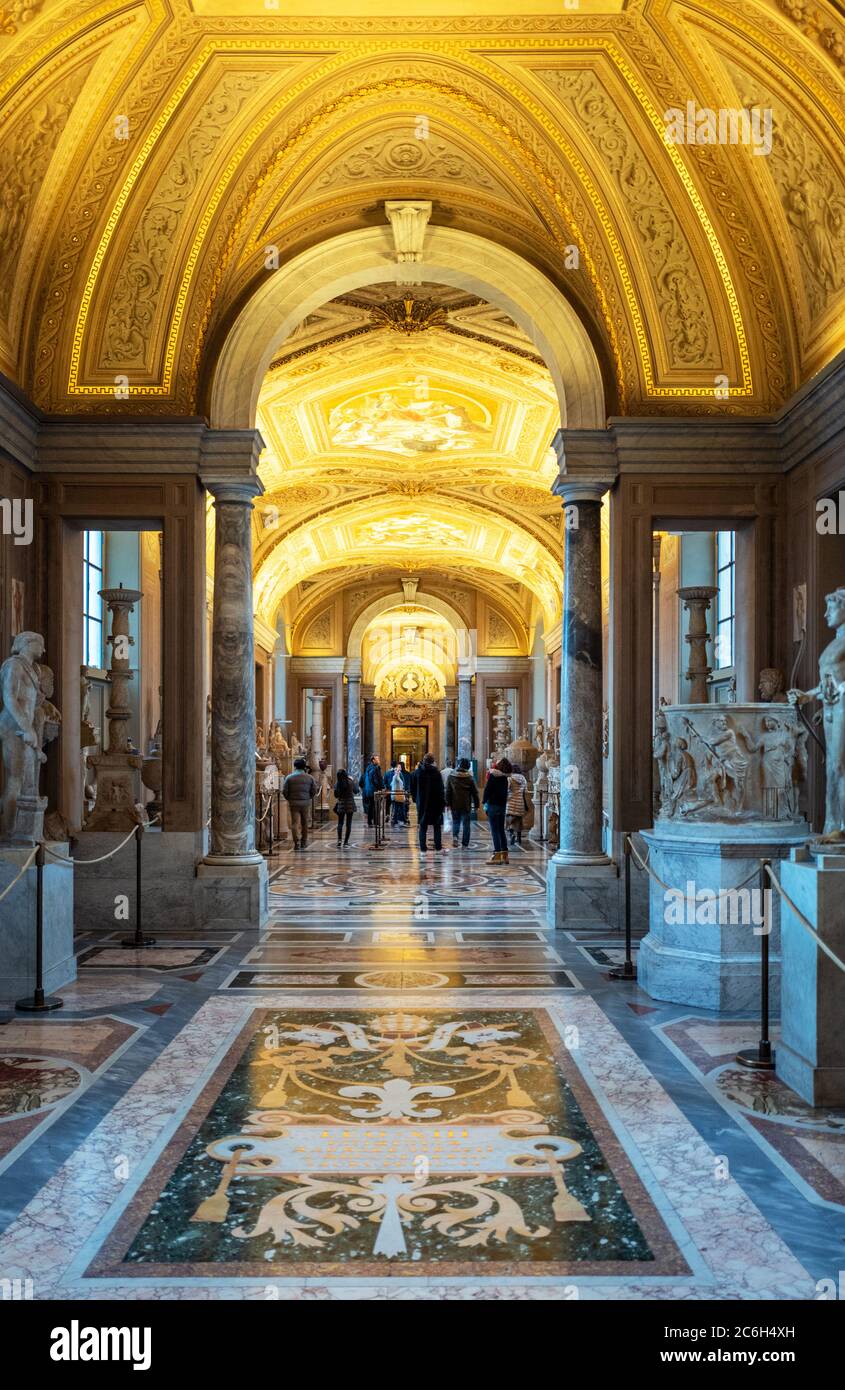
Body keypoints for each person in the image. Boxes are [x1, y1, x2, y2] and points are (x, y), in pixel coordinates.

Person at [283, 756, 317, 851]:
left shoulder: (289, 777)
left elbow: (285, 791)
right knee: (305, 822)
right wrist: (308, 797)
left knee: (294, 823)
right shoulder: (310, 778)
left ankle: (296, 843)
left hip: (293, 803)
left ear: (295, 767)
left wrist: (289, 798)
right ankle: (303, 842)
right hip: (305, 802)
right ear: (304, 767)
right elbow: (314, 790)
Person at [482, 756, 511, 863]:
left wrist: (484, 802)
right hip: (502, 806)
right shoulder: (505, 778)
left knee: (494, 831)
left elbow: (487, 790)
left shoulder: (493, 776)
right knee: (501, 830)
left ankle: (497, 854)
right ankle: (505, 854)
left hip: (493, 805)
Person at [416, 752, 446, 853]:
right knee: (437, 826)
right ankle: (438, 846)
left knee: (422, 827)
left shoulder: (419, 772)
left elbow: (414, 788)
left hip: (423, 804)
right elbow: (440, 790)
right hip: (435, 804)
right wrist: (442, 803)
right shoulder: (437, 773)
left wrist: (417, 799)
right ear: (433, 762)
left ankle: (423, 848)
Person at [446, 757, 479, 848]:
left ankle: (455, 837)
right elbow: (475, 792)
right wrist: (476, 805)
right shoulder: (470, 778)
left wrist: (448, 804)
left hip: (454, 804)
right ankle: (465, 844)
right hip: (466, 804)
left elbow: (448, 791)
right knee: (466, 824)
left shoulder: (451, 776)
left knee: (456, 821)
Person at [506, 763, 529, 847]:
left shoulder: (510, 778)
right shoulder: (523, 779)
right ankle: (519, 838)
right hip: (520, 803)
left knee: (509, 820)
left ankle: (512, 834)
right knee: (519, 821)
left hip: (510, 802)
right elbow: (525, 791)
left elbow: (507, 789)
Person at [333, 767, 356, 847]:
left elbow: (335, 795)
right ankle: (346, 842)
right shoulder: (350, 782)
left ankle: (339, 840)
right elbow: (356, 791)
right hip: (350, 805)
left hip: (341, 805)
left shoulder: (337, 784)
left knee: (340, 823)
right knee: (348, 824)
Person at [359, 754, 383, 827]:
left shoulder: (368, 768)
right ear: (373, 760)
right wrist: (381, 788)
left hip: (368, 790)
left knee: (371, 806)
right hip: (374, 790)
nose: (379, 760)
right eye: (377, 759)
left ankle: (370, 821)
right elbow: (376, 780)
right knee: (375, 806)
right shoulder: (375, 768)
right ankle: (375, 822)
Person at [389, 759, 410, 825]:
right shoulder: (396, 776)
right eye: (398, 768)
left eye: (399, 768)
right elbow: (393, 784)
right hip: (397, 795)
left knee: (398, 807)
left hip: (398, 794)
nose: (399, 769)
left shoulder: (397, 776)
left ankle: (396, 820)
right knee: (399, 807)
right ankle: (400, 820)